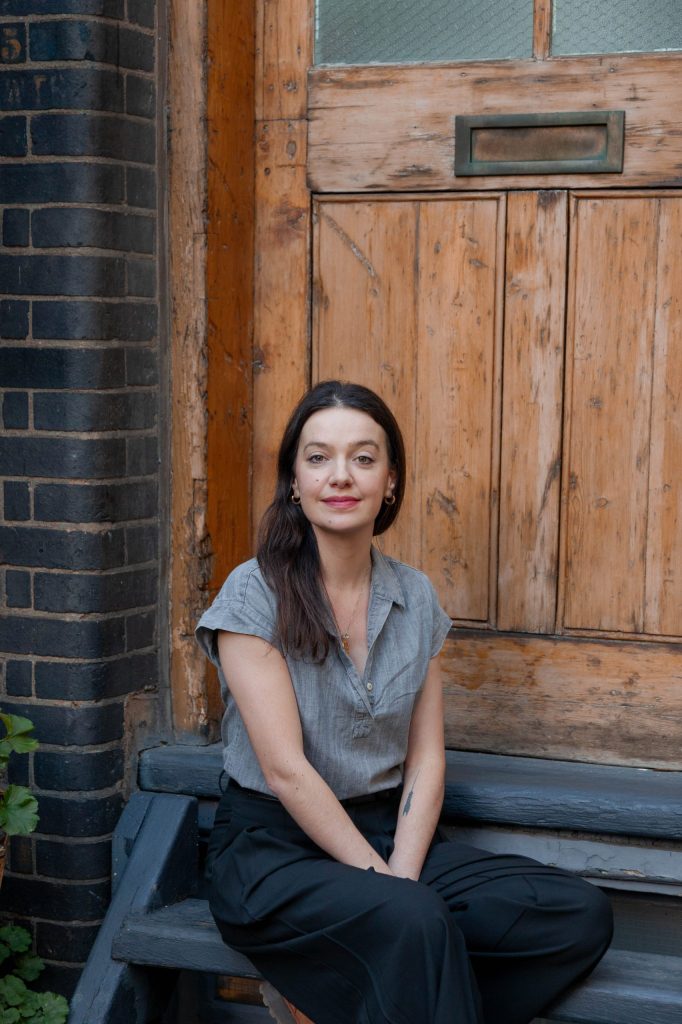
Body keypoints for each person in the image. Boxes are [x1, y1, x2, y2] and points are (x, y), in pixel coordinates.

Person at [196, 380, 613, 1024]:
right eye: (318, 458)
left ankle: (350, 1000)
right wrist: (385, 885)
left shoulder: (414, 597)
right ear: (295, 481)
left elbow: (425, 759)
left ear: (390, 481)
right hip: (271, 851)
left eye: (364, 458)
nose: (341, 476)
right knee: (411, 920)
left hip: (391, 832)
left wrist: (403, 869)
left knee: (572, 915)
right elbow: (285, 770)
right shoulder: (254, 594)